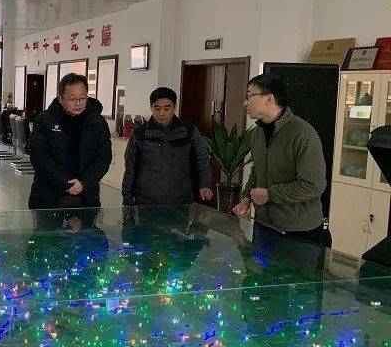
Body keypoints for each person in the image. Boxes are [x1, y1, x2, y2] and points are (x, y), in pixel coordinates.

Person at [233, 74, 330, 247]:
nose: (245, 103)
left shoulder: (302, 133)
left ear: (269, 99)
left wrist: (270, 194)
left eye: (250, 95)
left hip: (299, 233)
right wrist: (247, 199)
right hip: (264, 226)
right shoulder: (257, 133)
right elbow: (257, 171)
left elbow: (314, 186)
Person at [28, 73, 112, 210]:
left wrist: (84, 183)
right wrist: (66, 183)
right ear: (60, 98)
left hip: (87, 197)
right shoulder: (45, 121)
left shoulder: (97, 122)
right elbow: (39, 158)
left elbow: (104, 158)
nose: (78, 103)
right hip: (48, 197)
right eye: (72, 99)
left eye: (82, 98)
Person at [122, 87, 213, 206]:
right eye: (157, 108)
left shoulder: (189, 131)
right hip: (146, 201)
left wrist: (205, 184)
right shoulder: (140, 134)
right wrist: (127, 199)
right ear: (151, 108)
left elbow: (202, 159)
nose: (162, 113)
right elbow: (130, 167)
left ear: (174, 107)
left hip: (181, 201)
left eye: (167, 108)